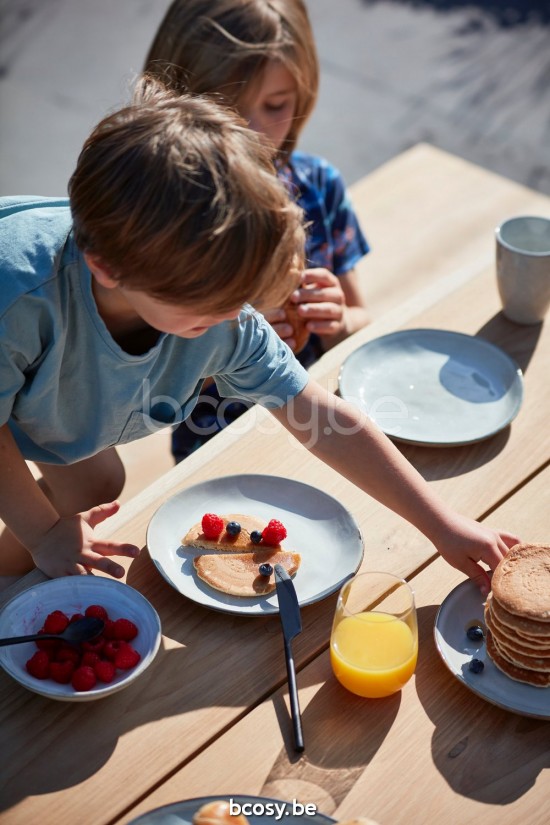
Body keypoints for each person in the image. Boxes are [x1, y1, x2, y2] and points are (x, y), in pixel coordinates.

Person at [0, 77, 518, 596]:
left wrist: (443, 525)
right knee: (49, 518)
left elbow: (323, 418)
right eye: (209, 306)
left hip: (51, 393)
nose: (233, 320)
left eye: (241, 296)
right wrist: (43, 534)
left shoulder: (219, 309)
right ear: (108, 267)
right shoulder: (19, 299)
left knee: (96, 485)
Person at [144, 0, 371, 460]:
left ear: (303, 94)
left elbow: (364, 318)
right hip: (214, 447)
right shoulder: (162, 218)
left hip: (323, 434)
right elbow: (142, 386)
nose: (250, 130)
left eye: (275, 105)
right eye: (224, 105)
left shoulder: (318, 185)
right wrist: (233, 347)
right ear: (175, 93)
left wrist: (340, 319)